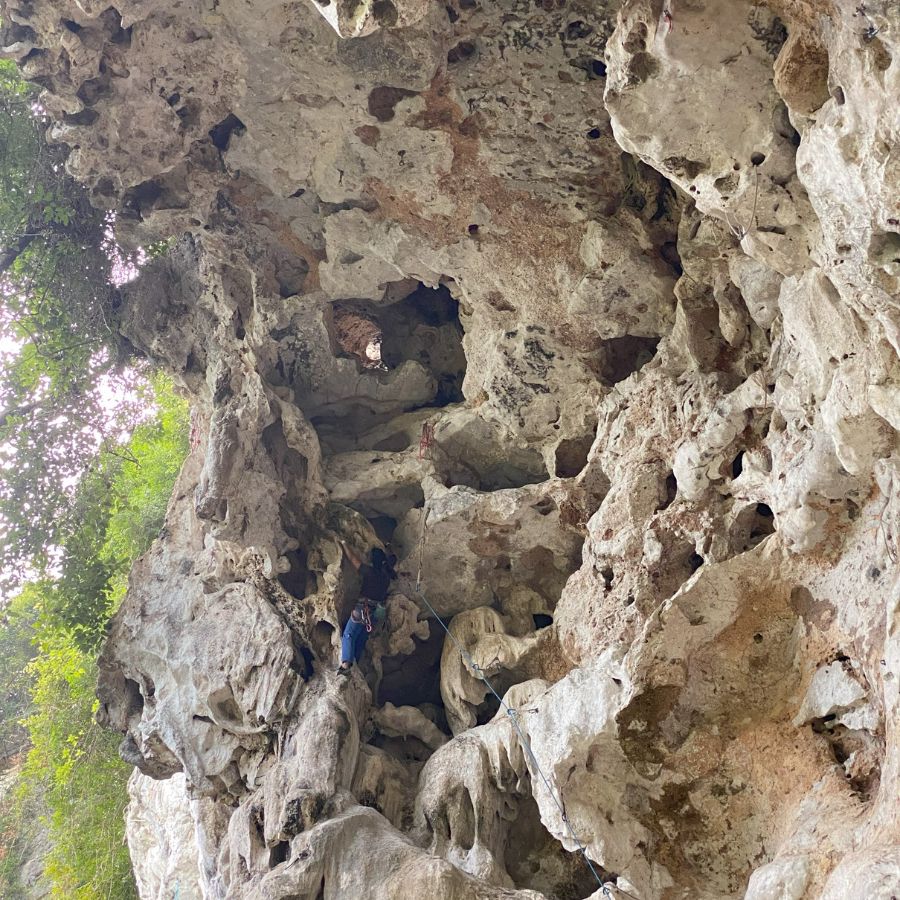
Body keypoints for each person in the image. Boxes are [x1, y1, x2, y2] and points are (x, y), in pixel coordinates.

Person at [337, 541, 396, 674]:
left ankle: (346, 664)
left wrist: (344, 543)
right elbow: (393, 559)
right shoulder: (387, 576)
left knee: (349, 634)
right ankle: (355, 663)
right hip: (375, 613)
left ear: (373, 561)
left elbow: (352, 559)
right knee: (361, 638)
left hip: (362, 608)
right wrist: (389, 548)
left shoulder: (369, 572)